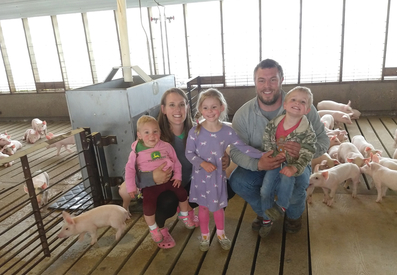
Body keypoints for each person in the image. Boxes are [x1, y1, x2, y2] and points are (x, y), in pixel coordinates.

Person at [229, 59, 329, 236]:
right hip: (261, 162)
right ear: (255, 82)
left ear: (282, 80)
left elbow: (323, 140)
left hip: (294, 163)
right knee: (238, 181)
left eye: (273, 79)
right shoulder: (243, 115)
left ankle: (293, 215)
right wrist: (258, 164)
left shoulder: (304, 107)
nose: (267, 86)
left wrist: (303, 151)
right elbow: (236, 150)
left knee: (298, 184)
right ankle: (265, 214)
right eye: (261, 80)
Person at [123, 88, 231, 249]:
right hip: (160, 187)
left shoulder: (199, 131)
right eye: (171, 105)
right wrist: (152, 177)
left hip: (189, 181)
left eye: (182, 104)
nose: (178, 110)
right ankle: (159, 227)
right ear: (163, 109)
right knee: (167, 200)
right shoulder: (152, 135)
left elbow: (214, 152)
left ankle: (185, 211)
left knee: (227, 187)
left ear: (188, 107)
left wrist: (225, 160)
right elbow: (132, 169)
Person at [186, 88, 263, 251]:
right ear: (200, 109)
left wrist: (262, 155)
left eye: (214, 107)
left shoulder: (227, 131)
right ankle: (205, 236)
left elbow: (243, 147)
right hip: (201, 177)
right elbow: (189, 153)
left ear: (221, 107)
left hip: (217, 177)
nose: (210, 111)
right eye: (205, 107)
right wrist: (202, 163)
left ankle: (221, 234)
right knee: (203, 207)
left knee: (219, 207)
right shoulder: (195, 131)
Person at [124, 115, 197, 247]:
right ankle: (154, 229)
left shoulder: (166, 146)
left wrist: (178, 176)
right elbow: (130, 170)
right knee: (148, 206)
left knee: (182, 194)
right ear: (139, 135)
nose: (152, 136)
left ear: (160, 132)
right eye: (146, 132)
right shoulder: (135, 152)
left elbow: (176, 162)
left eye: (155, 131)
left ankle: (184, 215)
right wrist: (131, 187)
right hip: (150, 186)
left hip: (169, 181)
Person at [260, 86, 317, 237]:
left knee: (287, 179)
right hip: (275, 162)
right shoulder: (273, 124)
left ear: (307, 110)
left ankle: (281, 207)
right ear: (284, 105)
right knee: (265, 190)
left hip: (293, 163)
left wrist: (295, 167)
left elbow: (309, 151)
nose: (297, 103)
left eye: (303, 101)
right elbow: (267, 141)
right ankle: (267, 219)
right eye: (293, 99)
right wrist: (271, 155)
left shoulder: (307, 131)